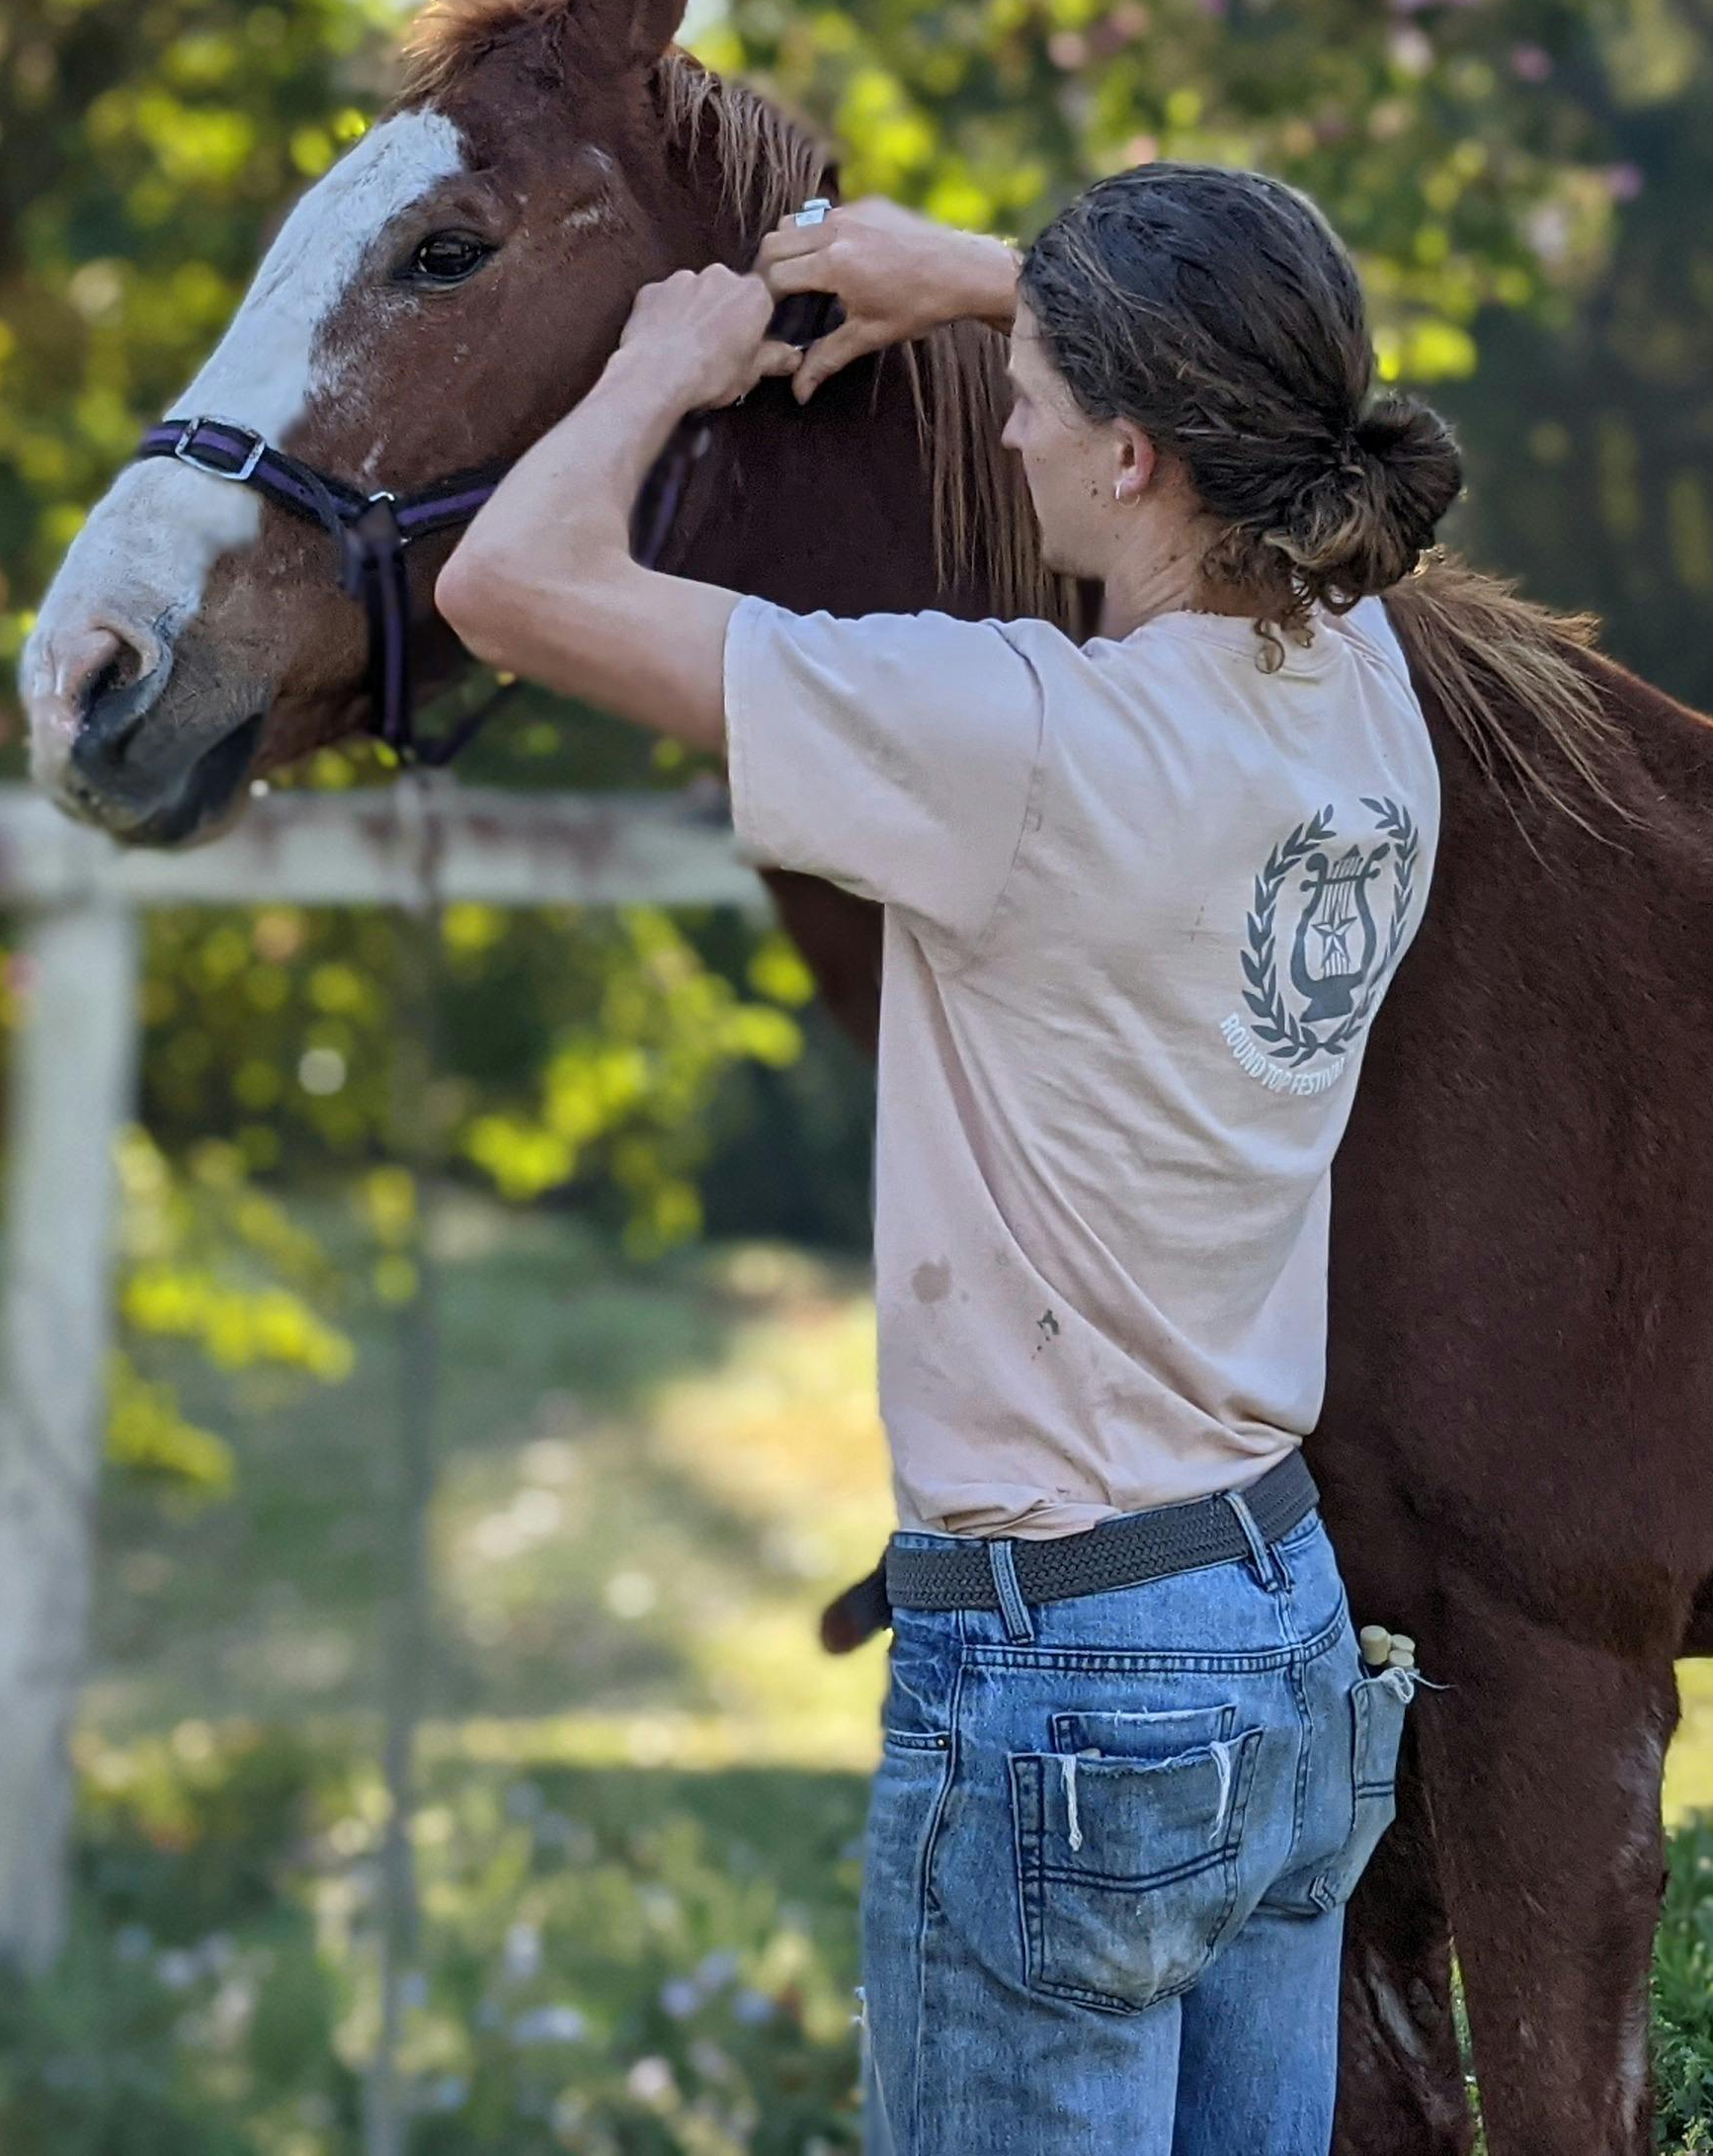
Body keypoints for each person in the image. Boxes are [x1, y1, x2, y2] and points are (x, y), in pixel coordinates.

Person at [435, 164, 1460, 2153]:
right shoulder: (1363, 694)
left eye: (1040, 393)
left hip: (1067, 1674)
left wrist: (661, 364)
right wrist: (985, 285)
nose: (1007, 422)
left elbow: (508, 590)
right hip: (1279, 1629)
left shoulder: (1019, 746)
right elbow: (1256, 412)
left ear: (1139, 458)